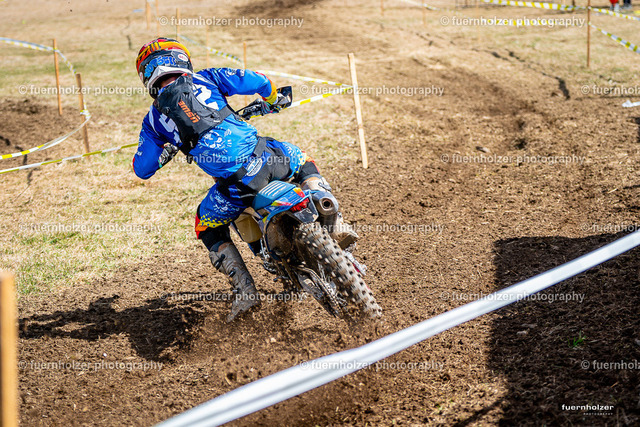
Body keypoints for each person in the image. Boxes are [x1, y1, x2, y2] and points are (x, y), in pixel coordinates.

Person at [132, 38, 358, 321]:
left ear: (147, 76)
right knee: (302, 160)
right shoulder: (207, 78)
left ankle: (245, 290)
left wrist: (165, 151)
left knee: (206, 224)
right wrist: (272, 100)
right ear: (181, 60)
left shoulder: (153, 121)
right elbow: (259, 81)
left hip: (237, 189)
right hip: (270, 160)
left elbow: (142, 169)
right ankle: (334, 220)